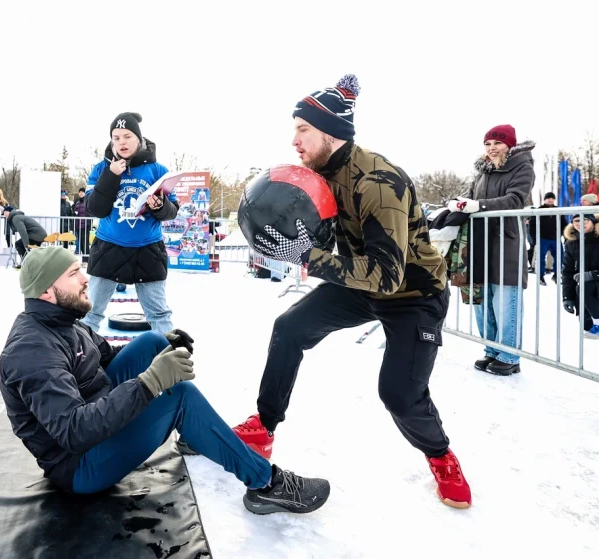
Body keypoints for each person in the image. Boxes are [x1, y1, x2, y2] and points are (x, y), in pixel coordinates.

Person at [235, 74, 471, 509]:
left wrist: (305, 256)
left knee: (399, 394)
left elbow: (387, 277)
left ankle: (440, 456)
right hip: (363, 283)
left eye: (302, 129)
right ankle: (263, 427)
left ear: (330, 133)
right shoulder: (320, 175)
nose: (294, 140)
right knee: (289, 327)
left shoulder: (378, 183)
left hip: (412, 294)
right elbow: (328, 237)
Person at [0, 246, 330, 514]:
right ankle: (266, 484)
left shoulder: (64, 320)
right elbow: (75, 433)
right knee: (179, 396)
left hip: (93, 413)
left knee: (151, 343)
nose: (86, 279)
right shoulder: (32, 351)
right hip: (80, 465)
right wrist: (150, 383)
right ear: (46, 290)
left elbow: (105, 358)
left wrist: (161, 354)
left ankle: (199, 432)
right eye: (74, 274)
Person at [448, 124, 535, 376]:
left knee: (505, 300)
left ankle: (509, 355)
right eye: (487, 144)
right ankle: (492, 350)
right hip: (479, 242)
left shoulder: (522, 167)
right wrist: (458, 202)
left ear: (509, 145)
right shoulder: (482, 171)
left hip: (505, 242)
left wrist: (478, 205)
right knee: (482, 299)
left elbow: (516, 199)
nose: (492, 148)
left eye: (497, 143)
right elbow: (470, 197)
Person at [83, 112, 179, 333]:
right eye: (116, 138)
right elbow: (94, 208)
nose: (122, 142)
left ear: (139, 139)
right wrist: (111, 175)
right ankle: (79, 358)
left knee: (159, 314)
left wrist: (159, 206)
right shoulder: (100, 169)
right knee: (90, 311)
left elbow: (171, 212)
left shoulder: (158, 170)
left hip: (148, 249)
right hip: (109, 247)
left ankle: (168, 362)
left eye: (127, 136)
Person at [529, 192, 560, 285]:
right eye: (548, 198)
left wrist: (563, 234)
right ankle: (540, 276)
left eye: (552, 198)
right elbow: (532, 225)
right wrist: (534, 239)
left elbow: (563, 223)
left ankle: (557, 275)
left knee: (560, 258)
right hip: (542, 238)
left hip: (555, 238)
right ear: (545, 199)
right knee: (540, 258)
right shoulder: (539, 210)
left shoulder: (559, 210)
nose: (550, 200)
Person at [73, 189, 91, 259]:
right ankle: (84, 259)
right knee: (81, 243)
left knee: (85, 243)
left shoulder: (87, 202)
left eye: (82, 192)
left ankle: (86, 259)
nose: (81, 193)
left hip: (85, 226)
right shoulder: (77, 203)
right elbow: (75, 213)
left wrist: (89, 224)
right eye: (80, 192)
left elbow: (90, 213)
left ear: (85, 193)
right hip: (78, 226)